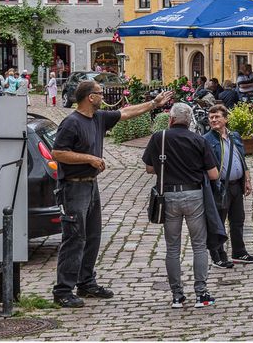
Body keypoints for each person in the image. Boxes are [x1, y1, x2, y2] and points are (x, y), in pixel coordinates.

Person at [51, 81, 175, 307]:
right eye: (99, 93)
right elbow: (58, 153)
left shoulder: (98, 118)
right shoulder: (71, 123)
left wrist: (153, 104)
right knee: (74, 237)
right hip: (72, 187)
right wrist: (89, 158)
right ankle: (63, 290)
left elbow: (126, 112)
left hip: (90, 185)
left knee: (93, 236)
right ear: (90, 97)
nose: (103, 96)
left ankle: (86, 282)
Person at [142, 103, 219, 308]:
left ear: (171, 119)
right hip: (194, 195)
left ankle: (177, 295)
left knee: (173, 248)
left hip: (169, 196)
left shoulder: (160, 138)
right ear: (189, 120)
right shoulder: (198, 140)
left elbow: (150, 168)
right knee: (199, 246)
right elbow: (214, 174)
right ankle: (201, 293)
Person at [204, 105, 253, 270]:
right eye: (211, 117)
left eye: (217, 117)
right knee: (217, 222)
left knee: (237, 220)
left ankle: (239, 252)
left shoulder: (234, 136)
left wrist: (247, 180)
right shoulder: (207, 139)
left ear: (225, 119)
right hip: (220, 187)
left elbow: (242, 159)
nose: (213, 120)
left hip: (237, 185)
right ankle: (217, 256)